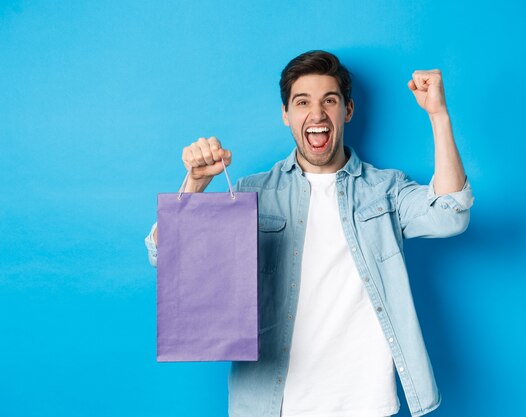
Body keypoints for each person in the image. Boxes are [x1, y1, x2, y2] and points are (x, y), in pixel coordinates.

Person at [145, 50, 474, 417]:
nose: (316, 114)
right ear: (286, 114)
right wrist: (194, 185)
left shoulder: (386, 190)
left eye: (329, 101)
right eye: (302, 102)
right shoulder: (253, 193)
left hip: (366, 403)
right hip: (273, 404)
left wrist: (438, 115)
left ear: (347, 111)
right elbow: (168, 258)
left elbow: (450, 216)